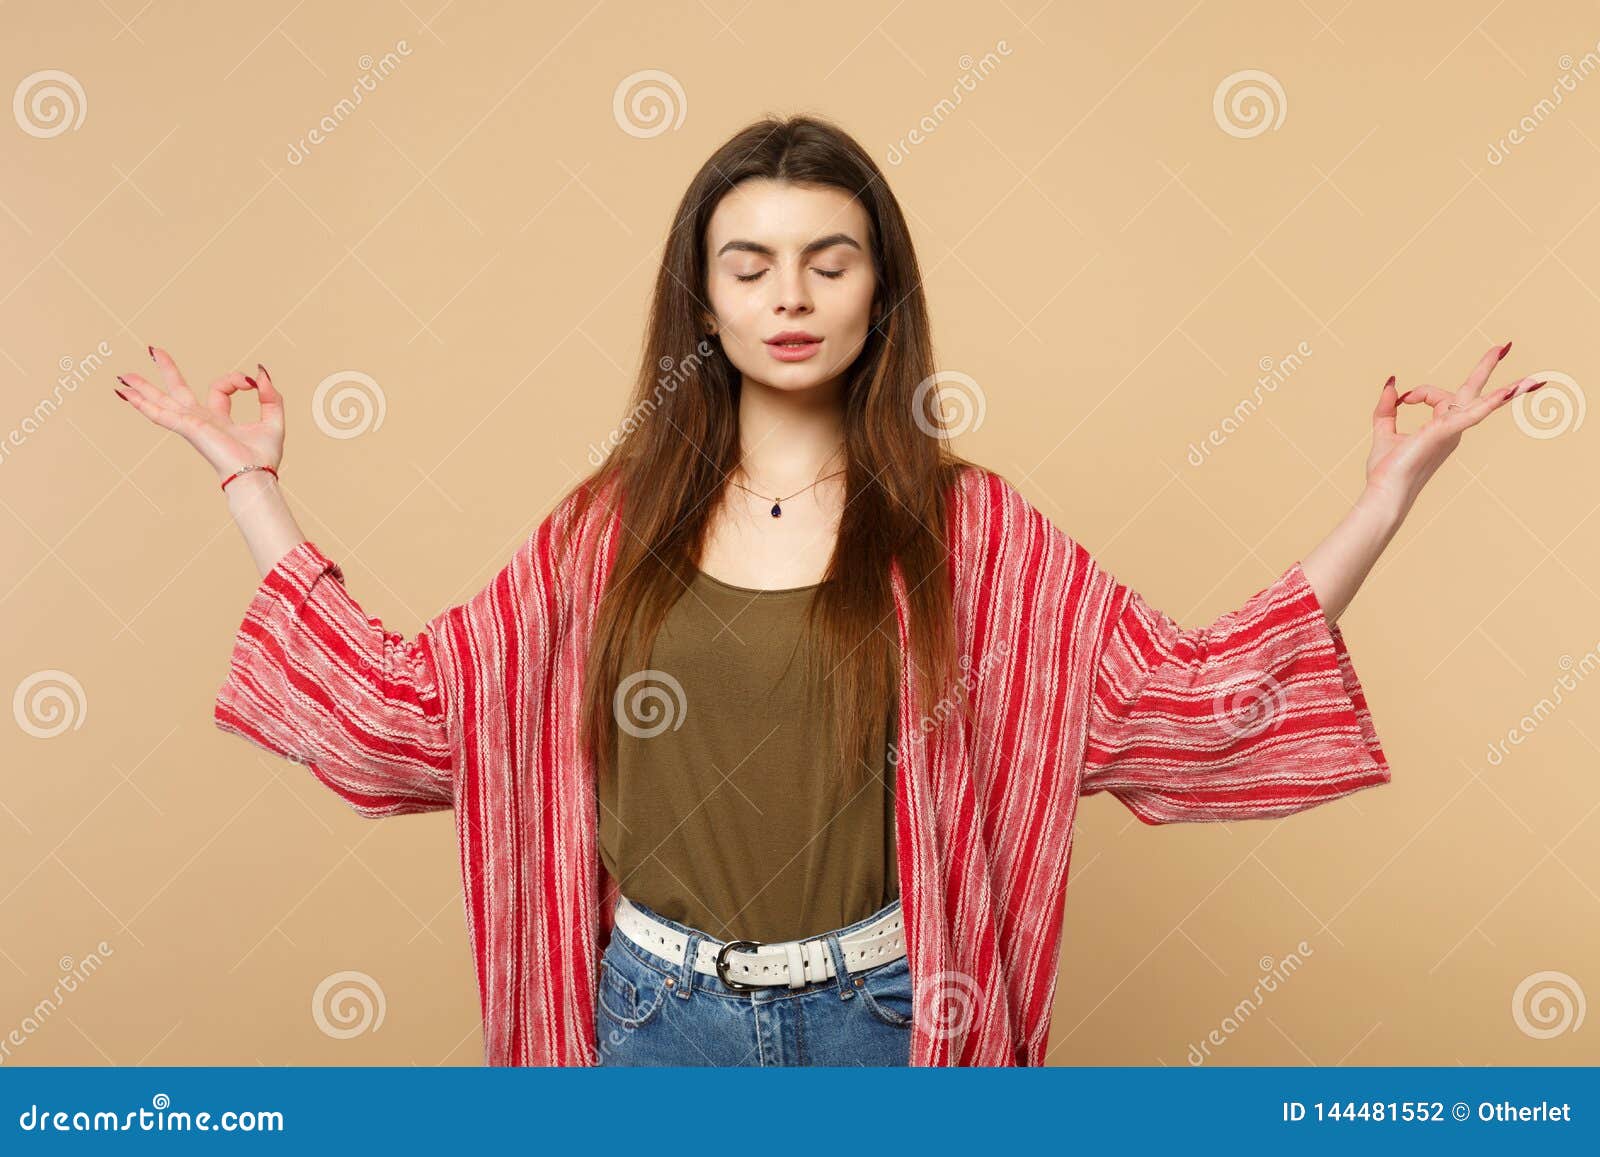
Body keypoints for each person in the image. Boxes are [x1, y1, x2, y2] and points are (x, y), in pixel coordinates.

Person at [111, 114, 1546, 1067]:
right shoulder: (605, 532)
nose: (789, 295)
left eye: (828, 258)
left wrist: (1389, 494)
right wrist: (249, 483)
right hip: (650, 1021)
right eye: (751, 264)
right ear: (707, 300)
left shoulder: (970, 532)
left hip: (893, 1024)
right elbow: (409, 715)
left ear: (878, 292)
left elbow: (1178, 703)